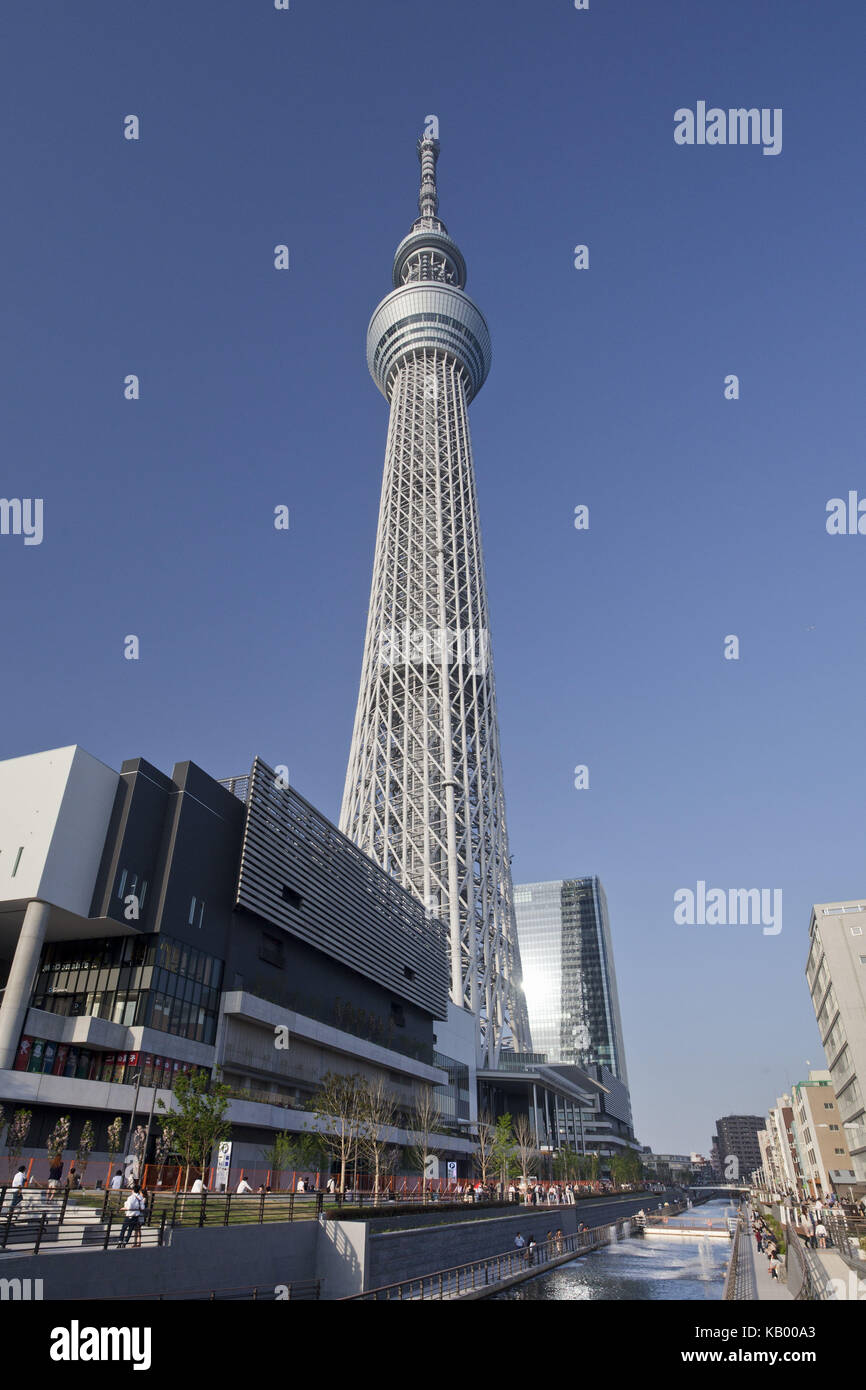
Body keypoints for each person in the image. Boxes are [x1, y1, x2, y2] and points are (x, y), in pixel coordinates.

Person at [117, 1184, 146, 1248]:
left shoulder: (130, 1198)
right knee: (130, 1230)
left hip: (129, 1215)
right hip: (136, 1216)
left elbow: (128, 1207)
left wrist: (123, 1208)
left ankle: (120, 1242)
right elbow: (142, 1208)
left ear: (133, 1190)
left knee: (123, 1229)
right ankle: (125, 1242)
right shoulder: (140, 1198)